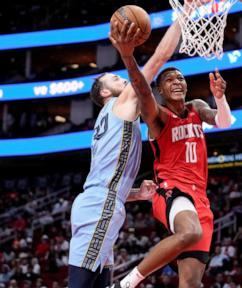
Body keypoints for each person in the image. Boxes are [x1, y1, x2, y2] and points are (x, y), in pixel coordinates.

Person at [110, 29, 232, 288]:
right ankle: (126, 284)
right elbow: (143, 91)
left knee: (191, 283)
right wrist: (128, 58)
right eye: (170, 80)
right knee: (190, 232)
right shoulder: (159, 116)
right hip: (172, 190)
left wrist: (220, 99)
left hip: (200, 197)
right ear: (161, 91)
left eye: (180, 78)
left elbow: (224, 121)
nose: (177, 82)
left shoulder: (196, 107)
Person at [68, 17, 182, 288]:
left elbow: (105, 179)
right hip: (100, 207)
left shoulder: (105, 121)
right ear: (106, 92)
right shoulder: (121, 102)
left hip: (97, 203)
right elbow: (159, 58)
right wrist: (182, 18)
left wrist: (136, 194)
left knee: (98, 281)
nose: (123, 78)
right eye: (116, 78)